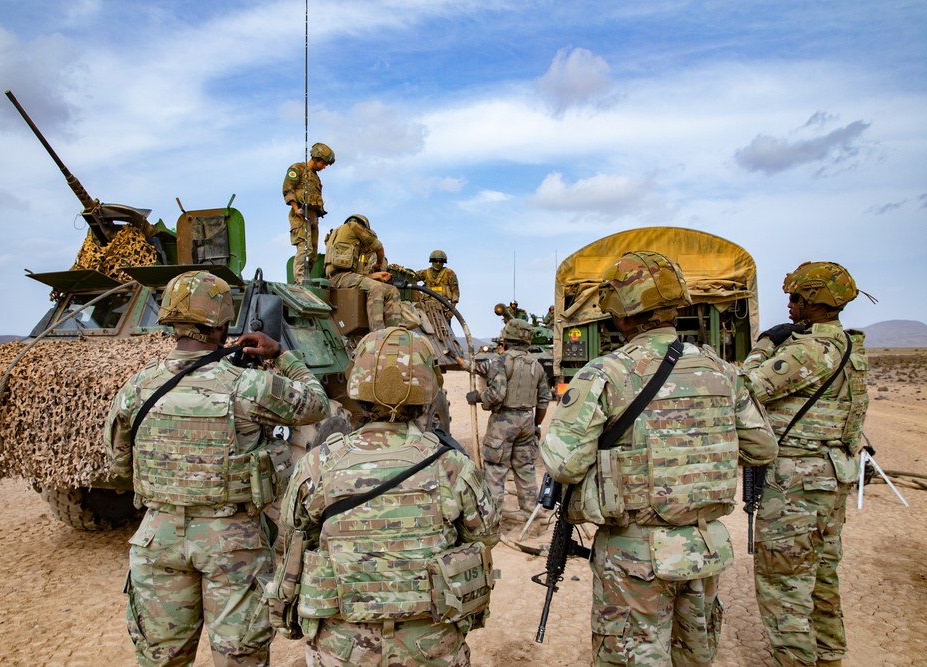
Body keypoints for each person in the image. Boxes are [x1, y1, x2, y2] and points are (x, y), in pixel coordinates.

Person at [540, 251, 778, 666]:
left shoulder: (605, 373)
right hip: (704, 546)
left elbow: (565, 465)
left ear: (622, 312)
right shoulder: (721, 371)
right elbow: (762, 448)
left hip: (635, 552)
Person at [104, 270, 331, 667]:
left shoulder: (137, 386)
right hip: (233, 541)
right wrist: (280, 354)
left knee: (160, 658)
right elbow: (316, 404)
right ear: (224, 321)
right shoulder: (246, 387)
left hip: (156, 539)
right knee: (240, 657)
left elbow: (121, 467)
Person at [273, 327, 499, 666]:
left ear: (356, 385)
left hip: (344, 647)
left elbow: (292, 539)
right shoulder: (451, 466)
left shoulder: (317, 465)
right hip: (431, 645)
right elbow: (485, 536)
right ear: (426, 389)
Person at [743, 261, 870, 667]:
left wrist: (764, 344)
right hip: (832, 477)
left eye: (795, 297)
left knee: (784, 581)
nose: (789, 304)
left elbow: (745, 388)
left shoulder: (808, 350)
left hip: (797, 482)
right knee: (822, 572)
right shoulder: (851, 347)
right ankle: (830, 652)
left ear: (812, 301)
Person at [466, 318, 552, 523]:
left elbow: (496, 395)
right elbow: (543, 401)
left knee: (495, 469)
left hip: (504, 421)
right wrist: (537, 425)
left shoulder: (501, 361)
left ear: (507, 339)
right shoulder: (536, 365)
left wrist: (477, 397)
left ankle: (492, 519)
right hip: (527, 421)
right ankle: (531, 513)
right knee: (525, 468)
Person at [324, 214, 402, 331]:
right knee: (376, 288)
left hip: (345, 277)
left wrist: (374, 275)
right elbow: (379, 248)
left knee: (392, 291)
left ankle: (392, 334)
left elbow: (354, 276)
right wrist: (379, 265)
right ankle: (378, 333)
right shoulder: (353, 226)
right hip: (338, 278)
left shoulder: (340, 236)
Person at [284, 142, 335, 284]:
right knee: (304, 249)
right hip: (300, 215)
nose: (324, 167)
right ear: (316, 158)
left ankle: (306, 279)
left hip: (313, 217)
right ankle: (299, 281)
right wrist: (295, 208)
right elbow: (288, 189)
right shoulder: (297, 169)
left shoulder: (316, 178)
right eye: (323, 163)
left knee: (312, 254)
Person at [415, 249, 460, 317]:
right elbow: (412, 277)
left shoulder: (449, 273)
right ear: (432, 261)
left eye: (440, 261)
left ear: (443, 262)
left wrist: (451, 311)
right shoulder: (424, 273)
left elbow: (455, 292)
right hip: (426, 307)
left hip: (442, 309)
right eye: (436, 261)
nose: (438, 263)